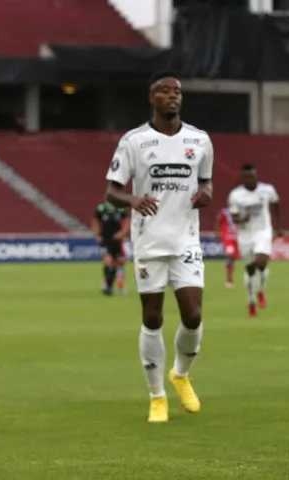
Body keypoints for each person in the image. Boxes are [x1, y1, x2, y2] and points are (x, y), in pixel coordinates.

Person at [105, 70, 213, 423]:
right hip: (149, 241)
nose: (173, 96)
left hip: (186, 239)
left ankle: (180, 374)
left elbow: (207, 182)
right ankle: (156, 396)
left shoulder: (199, 140)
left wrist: (206, 193)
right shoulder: (134, 141)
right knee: (152, 317)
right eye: (165, 91)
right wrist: (133, 200)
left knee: (193, 314)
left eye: (177, 91)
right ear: (152, 98)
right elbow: (112, 190)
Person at [227, 165, 281, 317]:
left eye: (252, 176)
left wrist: (279, 226)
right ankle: (251, 302)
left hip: (263, 231)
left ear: (256, 176)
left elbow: (276, 203)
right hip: (245, 235)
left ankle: (261, 291)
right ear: (242, 178)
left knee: (261, 262)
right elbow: (233, 216)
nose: (250, 179)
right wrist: (241, 218)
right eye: (247, 177)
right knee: (250, 270)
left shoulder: (267, 190)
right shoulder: (236, 195)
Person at [92, 201, 130, 295]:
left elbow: (127, 221)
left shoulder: (120, 208)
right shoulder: (101, 208)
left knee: (119, 261)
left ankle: (119, 286)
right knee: (108, 261)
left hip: (117, 240)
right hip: (105, 239)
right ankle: (107, 285)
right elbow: (95, 221)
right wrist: (97, 234)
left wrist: (123, 233)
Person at [215, 207, 240, 288]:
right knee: (230, 257)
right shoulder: (224, 212)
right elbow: (218, 222)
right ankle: (229, 280)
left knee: (233, 258)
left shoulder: (241, 210)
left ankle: (230, 279)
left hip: (237, 238)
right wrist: (217, 235)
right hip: (228, 238)